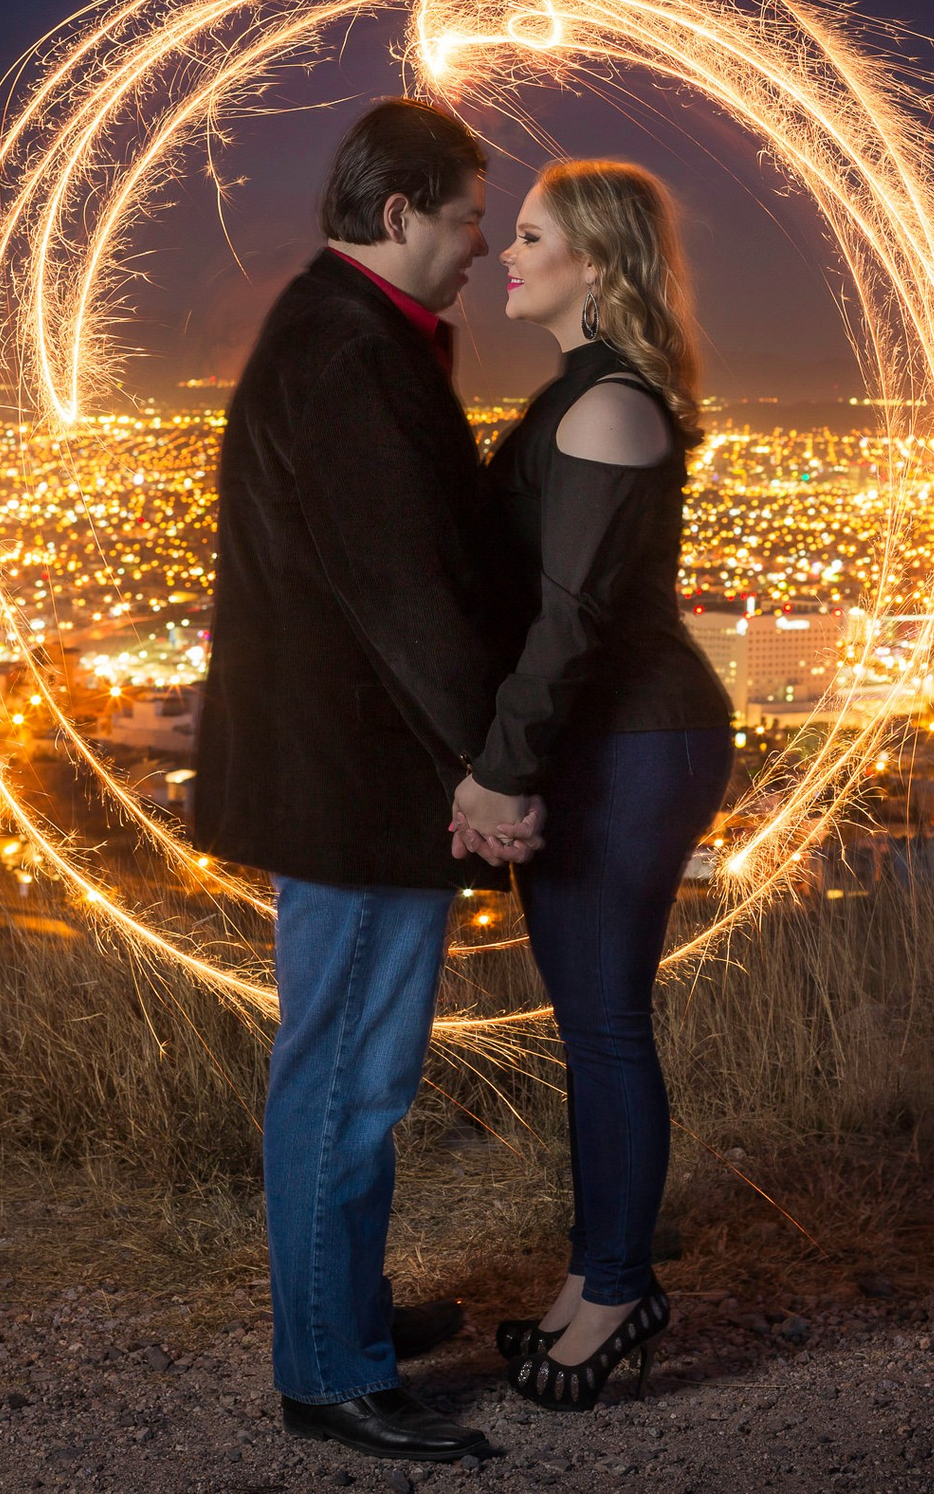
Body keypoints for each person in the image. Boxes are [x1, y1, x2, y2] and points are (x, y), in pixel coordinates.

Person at [192, 98, 538, 1464]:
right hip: (354, 780)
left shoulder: (348, 334)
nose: (482, 245)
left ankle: (351, 1316)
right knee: (348, 1073)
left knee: (352, 1066)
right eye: (466, 218)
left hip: (352, 771)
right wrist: (497, 764)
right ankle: (330, 1366)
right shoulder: (348, 354)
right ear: (398, 216)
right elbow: (409, 597)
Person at [450, 160, 735, 1411]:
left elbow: (570, 623)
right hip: (603, 741)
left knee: (608, 1025)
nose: (502, 254)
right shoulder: (579, 395)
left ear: (599, 262)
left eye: (529, 236)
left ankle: (618, 1291)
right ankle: (593, 1278)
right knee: (588, 1025)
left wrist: (502, 773)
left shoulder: (609, 407)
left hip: (631, 741)